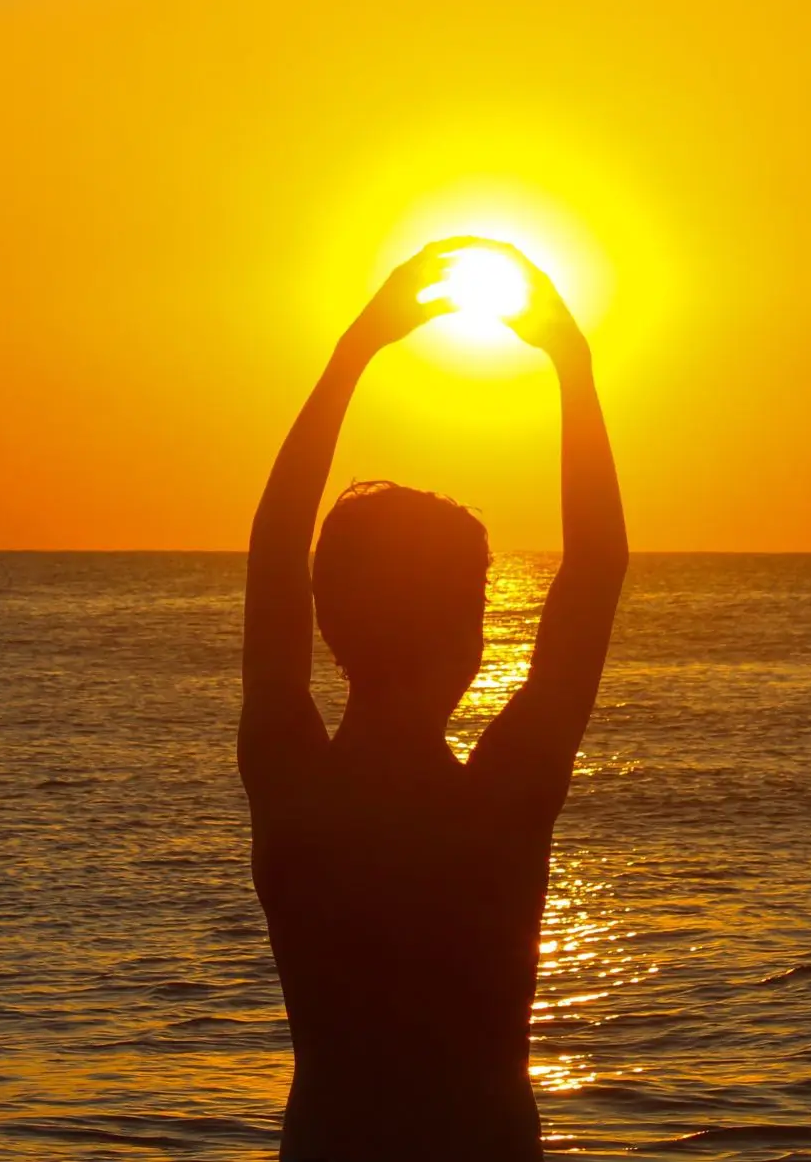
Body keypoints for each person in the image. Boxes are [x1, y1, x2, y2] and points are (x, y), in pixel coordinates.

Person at [239, 238, 628, 1161]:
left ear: (329, 622)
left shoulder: (294, 781)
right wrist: (571, 364)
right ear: (469, 637)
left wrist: (356, 350)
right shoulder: (500, 800)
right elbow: (596, 572)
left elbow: (272, 551)